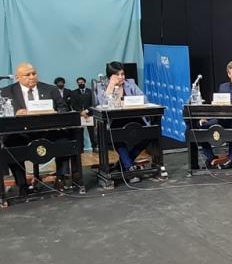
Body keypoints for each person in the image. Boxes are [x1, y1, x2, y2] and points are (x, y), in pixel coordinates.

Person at [0, 63, 80, 195]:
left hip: (47, 132)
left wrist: (55, 112)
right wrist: (15, 114)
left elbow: (63, 108)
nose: (32, 77)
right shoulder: (6, 91)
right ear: (17, 77)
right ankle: (22, 185)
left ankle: (61, 178)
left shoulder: (50, 89)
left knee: (65, 139)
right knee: (10, 144)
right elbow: (3, 114)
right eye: (27, 75)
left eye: (34, 73)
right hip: (21, 134)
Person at [96, 62, 149, 182]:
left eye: (122, 74)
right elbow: (102, 103)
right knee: (118, 136)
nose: (121, 77)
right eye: (117, 75)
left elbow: (144, 98)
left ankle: (123, 164)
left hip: (134, 118)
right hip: (115, 121)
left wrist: (126, 101)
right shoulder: (102, 86)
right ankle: (129, 168)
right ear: (110, 76)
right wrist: (110, 86)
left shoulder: (130, 83)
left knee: (148, 135)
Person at [72, 76, 96, 151]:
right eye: (78, 83)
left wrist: (86, 111)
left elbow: (93, 103)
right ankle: (80, 148)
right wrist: (81, 112)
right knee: (79, 133)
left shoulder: (90, 91)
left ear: (84, 82)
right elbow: (73, 104)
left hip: (89, 114)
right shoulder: (74, 92)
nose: (80, 84)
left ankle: (94, 147)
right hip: (79, 115)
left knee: (92, 132)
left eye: (81, 82)